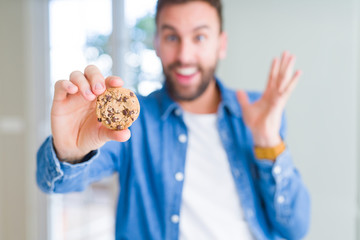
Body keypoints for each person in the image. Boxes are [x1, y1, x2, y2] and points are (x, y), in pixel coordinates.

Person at [36, 0, 311, 239]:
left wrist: (267, 141)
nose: (184, 56)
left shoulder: (256, 112)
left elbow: (295, 227)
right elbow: (54, 183)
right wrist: (69, 152)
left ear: (221, 44)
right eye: (171, 37)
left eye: (199, 37)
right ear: (156, 43)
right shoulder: (134, 123)